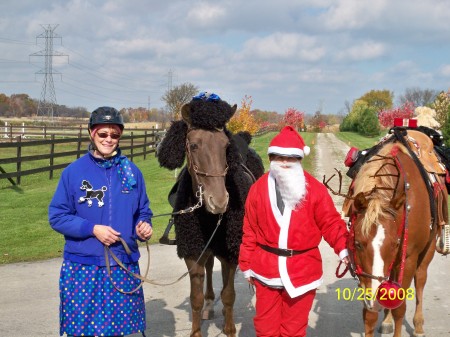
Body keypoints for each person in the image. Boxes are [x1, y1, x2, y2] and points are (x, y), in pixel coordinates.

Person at [48, 106, 153, 337]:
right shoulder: (73, 172)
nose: (109, 139)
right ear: (91, 133)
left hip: (122, 265)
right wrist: (92, 229)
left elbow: (143, 211)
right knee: (83, 331)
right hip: (84, 266)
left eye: (114, 135)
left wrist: (143, 226)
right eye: (103, 134)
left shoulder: (132, 172)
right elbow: (57, 216)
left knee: (119, 331)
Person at [238, 126, 349, 337]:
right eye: (279, 157)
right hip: (266, 269)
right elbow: (250, 229)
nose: (285, 162)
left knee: (294, 331)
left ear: (299, 160)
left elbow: (331, 222)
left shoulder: (315, 189)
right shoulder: (258, 189)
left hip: (303, 270)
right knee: (265, 329)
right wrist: (246, 264)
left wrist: (343, 247)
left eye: (291, 158)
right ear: (271, 158)